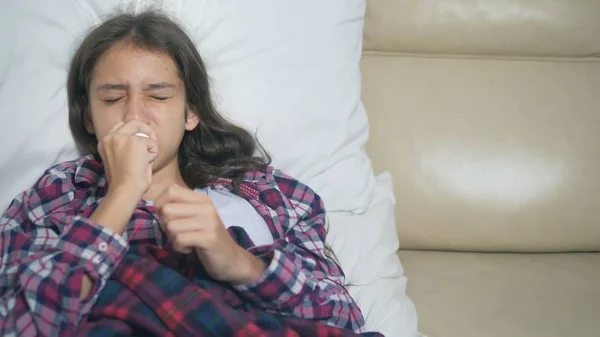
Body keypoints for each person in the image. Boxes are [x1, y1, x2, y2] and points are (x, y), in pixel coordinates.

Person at [0, 10, 365, 337]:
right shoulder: (54, 197)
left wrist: (240, 263)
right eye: (112, 99)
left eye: (158, 97)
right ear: (88, 118)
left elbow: (342, 320)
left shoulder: (270, 194)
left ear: (191, 112)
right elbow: (18, 323)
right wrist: (122, 193)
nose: (134, 116)